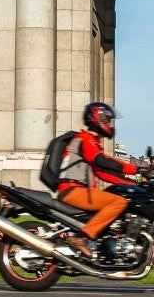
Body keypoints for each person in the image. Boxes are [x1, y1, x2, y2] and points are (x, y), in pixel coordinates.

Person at [53, 102, 138, 258]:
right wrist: (136, 168)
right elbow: (102, 161)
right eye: (107, 120)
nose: (110, 124)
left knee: (119, 200)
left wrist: (134, 184)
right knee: (119, 202)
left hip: (78, 190)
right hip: (73, 190)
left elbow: (103, 173)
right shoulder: (86, 139)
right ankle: (82, 238)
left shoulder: (90, 142)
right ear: (96, 118)